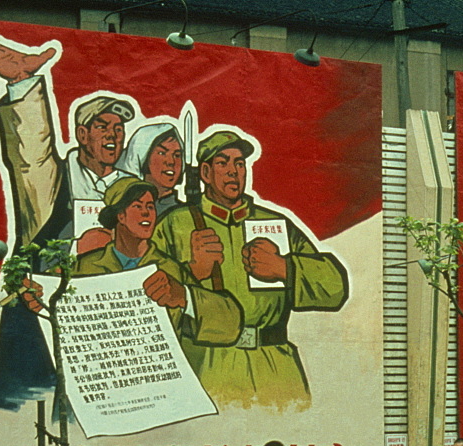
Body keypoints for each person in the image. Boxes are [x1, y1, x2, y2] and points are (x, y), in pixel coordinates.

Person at [0, 38, 138, 411]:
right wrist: (24, 85)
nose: (113, 135)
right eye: (103, 126)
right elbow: (31, 152)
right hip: (47, 330)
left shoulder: (130, 189)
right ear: (82, 135)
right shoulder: (53, 180)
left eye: (118, 128)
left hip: (110, 339)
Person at [146, 129, 349, 410]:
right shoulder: (174, 224)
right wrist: (192, 270)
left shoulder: (274, 223)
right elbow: (147, 297)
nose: (233, 172)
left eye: (239, 164)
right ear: (205, 172)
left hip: (275, 365)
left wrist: (285, 268)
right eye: (223, 163)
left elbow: (335, 288)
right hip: (206, 363)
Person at [116, 123, 185, 217]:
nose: (171, 162)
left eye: (177, 155)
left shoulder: (186, 212)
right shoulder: (125, 212)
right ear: (143, 157)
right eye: (162, 153)